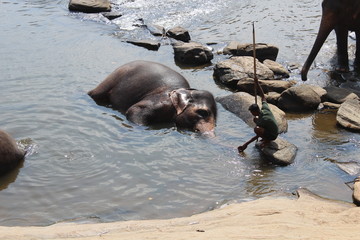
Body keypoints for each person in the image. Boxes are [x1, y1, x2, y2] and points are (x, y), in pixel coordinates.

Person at [238, 80, 278, 152]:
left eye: (252, 112)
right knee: (255, 120)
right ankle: (266, 137)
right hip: (272, 130)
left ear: (255, 111)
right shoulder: (265, 108)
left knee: (256, 129)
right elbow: (263, 96)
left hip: (273, 135)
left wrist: (246, 144)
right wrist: (257, 84)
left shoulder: (263, 119)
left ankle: (267, 140)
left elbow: (257, 135)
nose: (252, 113)